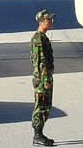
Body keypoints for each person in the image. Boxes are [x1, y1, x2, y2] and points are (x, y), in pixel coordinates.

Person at [30, 10, 55, 146]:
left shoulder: (42, 37)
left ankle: (40, 134)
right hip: (42, 78)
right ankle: (37, 135)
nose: (50, 22)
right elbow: (40, 63)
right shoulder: (39, 39)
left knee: (46, 105)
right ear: (41, 22)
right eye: (48, 20)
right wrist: (45, 81)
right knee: (41, 105)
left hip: (45, 77)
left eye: (50, 20)